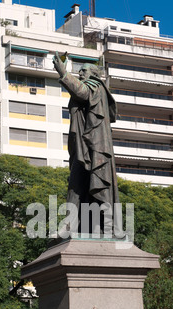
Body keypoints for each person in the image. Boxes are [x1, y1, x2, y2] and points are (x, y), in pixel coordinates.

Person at [53, 52, 120, 236]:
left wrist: (63, 73)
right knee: (76, 185)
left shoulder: (96, 87)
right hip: (83, 146)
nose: (81, 74)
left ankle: (107, 225)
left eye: (83, 71)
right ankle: (72, 225)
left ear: (94, 74)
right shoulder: (90, 86)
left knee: (95, 182)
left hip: (95, 146)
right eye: (79, 72)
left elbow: (82, 92)